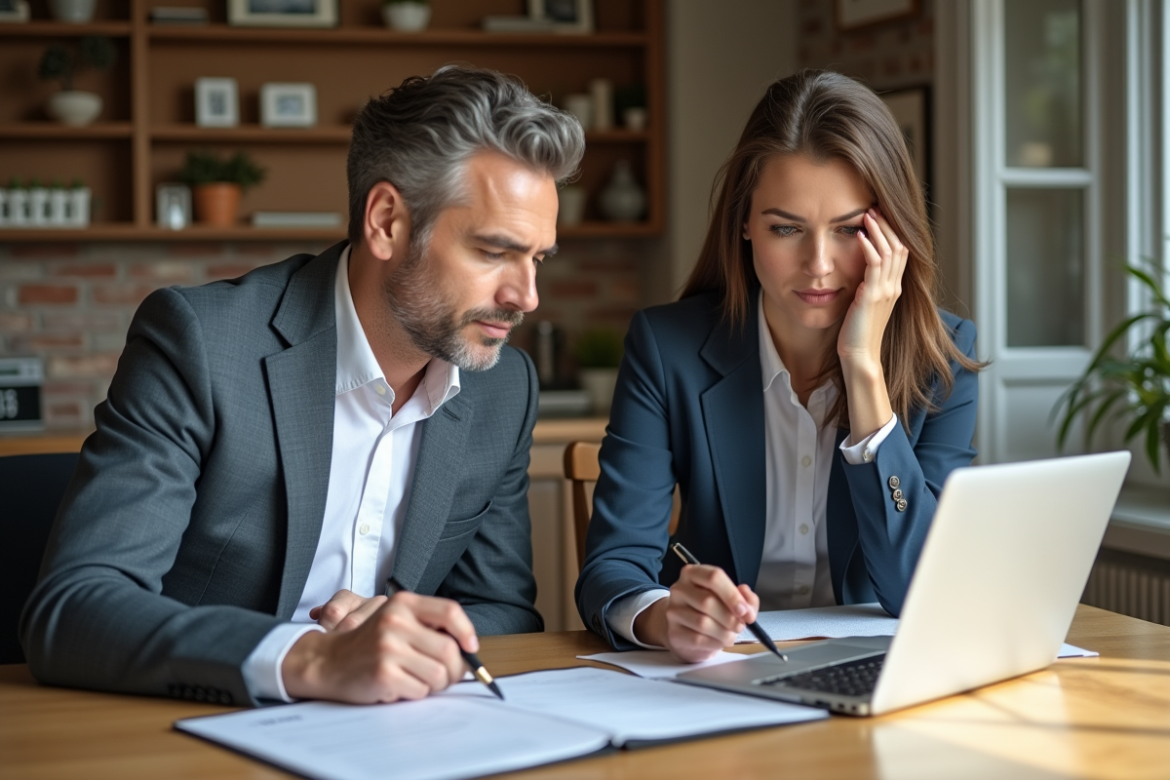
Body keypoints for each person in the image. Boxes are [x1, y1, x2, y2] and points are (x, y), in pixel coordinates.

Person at [21, 66, 584, 704]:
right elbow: (74, 608)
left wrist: (407, 633)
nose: (526, 297)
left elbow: (502, 609)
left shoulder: (504, 386)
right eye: (494, 252)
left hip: (400, 728)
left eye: (537, 258)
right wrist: (312, 656)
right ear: (387, 222)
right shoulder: (201, 343)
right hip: (195, 722)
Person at [575, 70, 984, 662]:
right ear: (744, 223)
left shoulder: (941, 359)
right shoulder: (667, 348)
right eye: (786, 228)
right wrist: (664, 616)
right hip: (720, 674)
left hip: (875, 672)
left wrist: (863, 369)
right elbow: (612, 568)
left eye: (849, 230)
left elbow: (920, 590)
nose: (818, 264)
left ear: (891, 235)